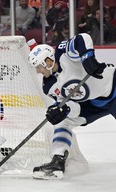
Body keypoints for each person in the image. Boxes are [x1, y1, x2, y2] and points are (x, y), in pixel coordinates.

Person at [28, 33, 114, 180]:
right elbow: (72, 107)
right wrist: (63, 109)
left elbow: (83, 38)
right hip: (91, 105)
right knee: (63, 121)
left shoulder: (64, 55)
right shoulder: (48, 85)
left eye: (38, 67)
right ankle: (57, 160)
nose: (37, 71)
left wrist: (88, 58)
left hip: (112, 89)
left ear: (48, 62)